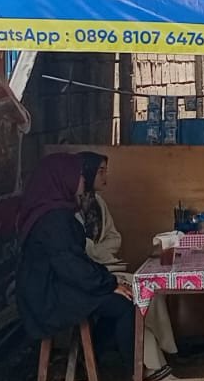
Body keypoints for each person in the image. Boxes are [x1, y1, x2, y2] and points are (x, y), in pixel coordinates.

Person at [15, 154, 138, 366]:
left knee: (121, 300)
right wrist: (108, 284)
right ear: (62, 178)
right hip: (47, 298)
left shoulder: (55, 212)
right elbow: (71, 266)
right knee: (126, 306)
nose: (83, 180)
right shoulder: (54, 219)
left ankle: (91, 359)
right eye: (79, 176)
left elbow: (75, 261)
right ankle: (135, 372)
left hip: (53, 288)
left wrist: (108, 282)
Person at [76, 152, 177, 381]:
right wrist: (97, 252)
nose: (105, 176)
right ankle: (153, 365)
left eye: (105, 170)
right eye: (100, 171)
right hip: (91, 276)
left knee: (150, 292)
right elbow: (81, 249)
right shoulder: (70, 210)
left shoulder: (97, 203)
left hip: (105, 269)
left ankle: (158, 360)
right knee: (139, 295)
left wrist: (97, 250)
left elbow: (114, 239)